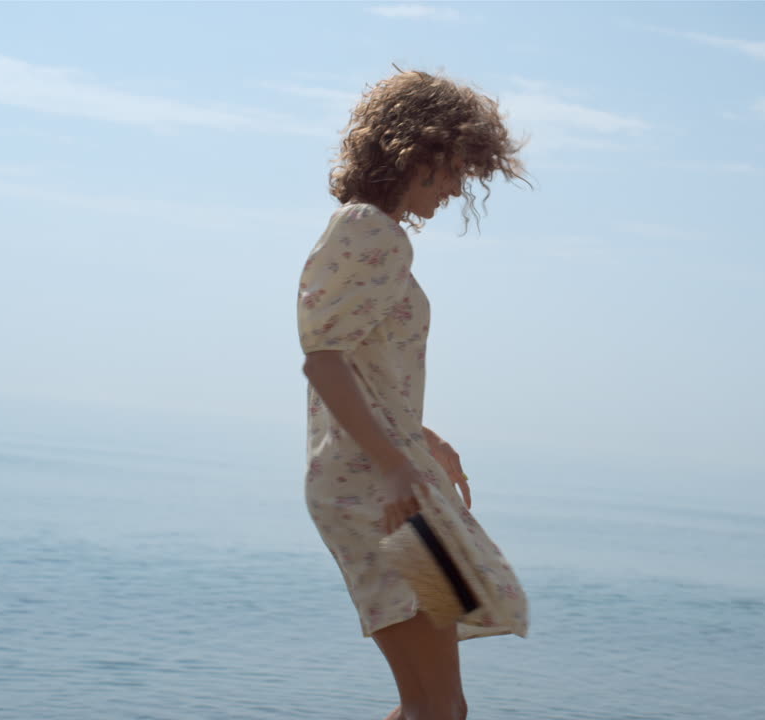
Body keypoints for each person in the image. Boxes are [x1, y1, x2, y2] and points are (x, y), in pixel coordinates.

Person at [297, 68, 527, 720]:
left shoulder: (370, 232)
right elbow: (323, 361)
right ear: (417, 152)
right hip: (379, 495)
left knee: (438, 707)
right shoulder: (371, 231)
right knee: (437, 708)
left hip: (391, 483)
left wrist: (422, 442)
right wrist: (397, 464)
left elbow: (357, 367)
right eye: (455, 168)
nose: (457, 188)